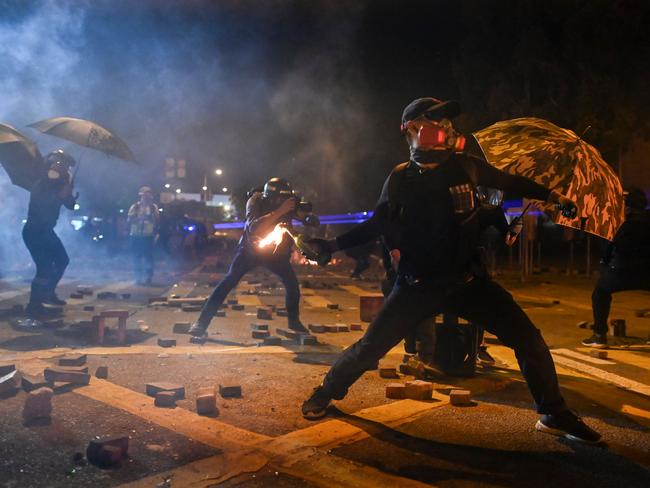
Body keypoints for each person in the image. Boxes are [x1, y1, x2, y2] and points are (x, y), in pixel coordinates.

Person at [301, 97, 601, 444]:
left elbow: (511, 183)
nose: (446, 126)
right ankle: (326, 391)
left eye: (446, 121)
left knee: (529, 340)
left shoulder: (467, 167)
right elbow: (378, 224)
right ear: (411, 130)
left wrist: (552, 195)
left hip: (467, 283)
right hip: (417, 286)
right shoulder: (400, 178)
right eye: (435, 120)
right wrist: (331, 247)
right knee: (370, 348)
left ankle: (553, 412)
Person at [188, 177, 310, 337]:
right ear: (270, 196)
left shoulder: (289, 204)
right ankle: (201, 323)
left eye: (285, 199)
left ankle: (294, 321)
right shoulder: (255, 201)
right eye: (279, 199)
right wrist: (281, 210)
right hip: (250, 251)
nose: (282, 201)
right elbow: (254, 227)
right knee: (229, 281)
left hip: (275, 254)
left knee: (292, 284)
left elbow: (304, 217)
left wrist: (307, 217)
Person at [583, 187, 650, 347]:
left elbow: (608, 248)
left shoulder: (619, 222)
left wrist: (605, 263)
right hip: (648, 273)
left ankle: (599, 335)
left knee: (600, 292)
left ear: (627, 205)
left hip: (620, 272)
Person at [23, 150, 77, 317]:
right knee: (44, 268)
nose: (64, 169)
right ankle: (34, 305)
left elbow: (70, 206)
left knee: (62, 260)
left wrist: (70, 193)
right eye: (62, 164)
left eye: (66, 166)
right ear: (53, 165)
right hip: (35, 231)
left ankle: (49, 293)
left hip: (47, 231)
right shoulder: (41, 184)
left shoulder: (61, 184)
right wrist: (59, 195)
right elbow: (42, 207)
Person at [127, 186, 159, 285]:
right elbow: (129, 220)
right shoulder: (135, 207)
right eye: (144, 196)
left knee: (148, 258)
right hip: (136, 235)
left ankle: (148, 277)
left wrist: (150, 218)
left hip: (148, 236)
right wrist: (139, 218)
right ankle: (138, 277)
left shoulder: (153, 208)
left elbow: (157, 221)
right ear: (141, 196)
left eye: (148, 196)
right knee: (136, 257)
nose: (146, 198)